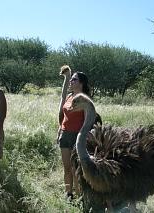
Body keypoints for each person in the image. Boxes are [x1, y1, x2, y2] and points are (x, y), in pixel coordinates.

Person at [57, 65, 93, 201]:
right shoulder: (69, 97)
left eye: (74, 80)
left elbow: (88, 120)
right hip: (65, 135)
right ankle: (68, 194)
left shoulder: (84, 99)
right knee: (66, 167)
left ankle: (79, 196)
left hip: (78, 136)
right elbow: (63, 116)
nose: (71, 82)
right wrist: (59, 130)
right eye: (71, 79)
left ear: (81, 83)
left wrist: (84, 138)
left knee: (75, 168)